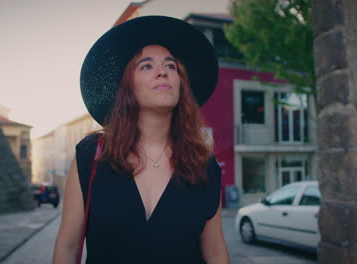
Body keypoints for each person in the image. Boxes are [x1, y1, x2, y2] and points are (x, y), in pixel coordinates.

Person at [53, 16, 229, 264]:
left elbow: (216, 253)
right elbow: (68, 246)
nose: (162, 72)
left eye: (171, 67)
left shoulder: (205, 166)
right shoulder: (92, 154)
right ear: (128, 87)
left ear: (181, 83)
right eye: (146, 66)